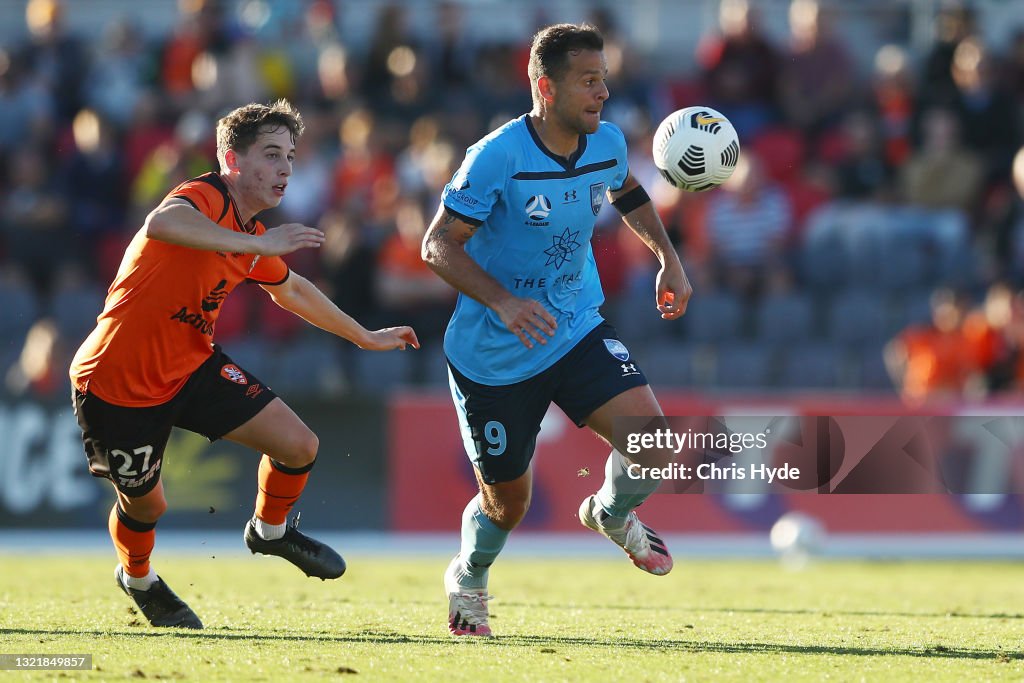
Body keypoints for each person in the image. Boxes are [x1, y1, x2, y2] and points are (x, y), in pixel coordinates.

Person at [69, 100, 419, 629]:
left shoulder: (252, 234)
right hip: (117, 381)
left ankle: (270, 530)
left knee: (299, 444)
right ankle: (138, 578)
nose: (285, 169)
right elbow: (162, 222)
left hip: (190, 366)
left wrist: (364, 336)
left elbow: (294, 291)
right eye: (272, 154)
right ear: (232, 160)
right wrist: (256, 243)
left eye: (291, 157)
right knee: (148, 508)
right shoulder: (206, 195)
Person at [421, 24, 692, 637]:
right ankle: (468, 574)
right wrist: (504, 302)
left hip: (572, 325)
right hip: (495, 353)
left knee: (654, 444)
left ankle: (609, 511)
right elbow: (436, 245)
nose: (602, 93)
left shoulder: (608, 142)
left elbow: (627, 192)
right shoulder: (497, 157)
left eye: (605, 80)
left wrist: (666, 258)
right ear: (545, 86)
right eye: (588, 81)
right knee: (506, 506)